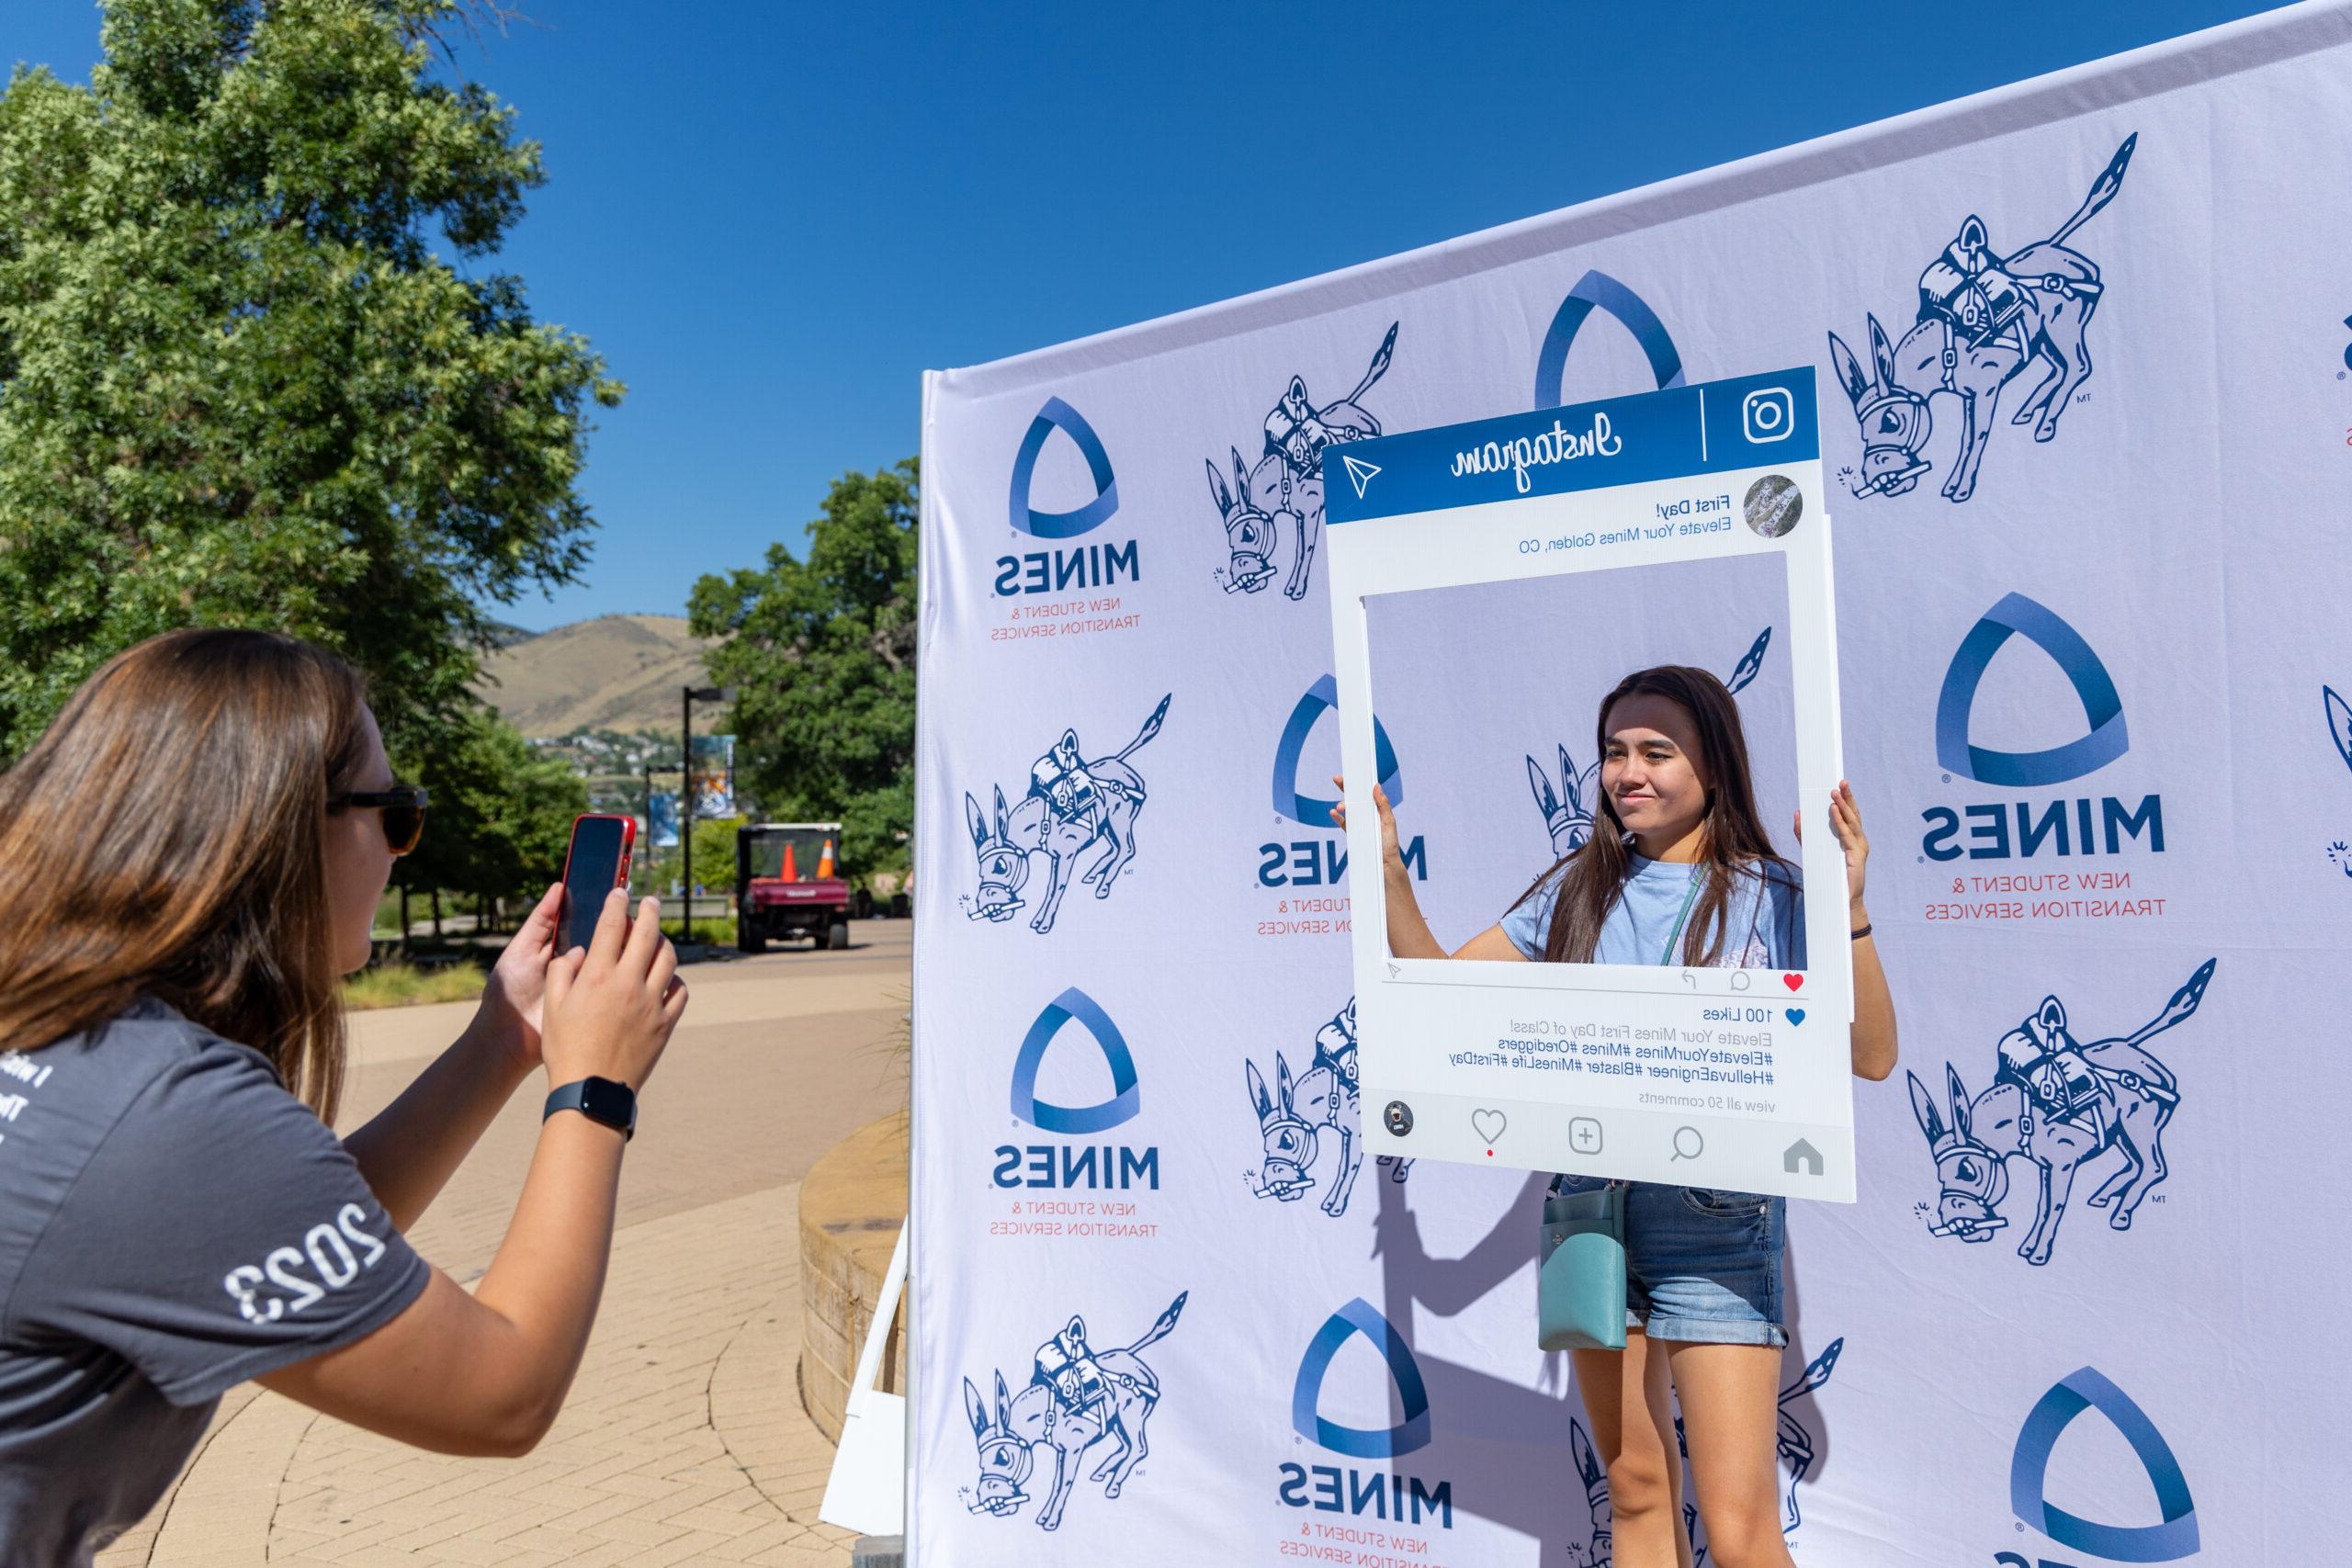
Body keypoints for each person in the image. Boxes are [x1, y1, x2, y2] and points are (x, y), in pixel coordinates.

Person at [0, 630, 690, 1565]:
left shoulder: (62, 1034)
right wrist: (595, 1085)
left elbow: (257, 1229)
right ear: (277, 831)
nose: (404, 848)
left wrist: (503, 1043)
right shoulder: (159, 1108)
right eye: (395, 814)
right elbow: (500, 1393)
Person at [1336, 665, 1897, 1568]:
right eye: (1613, 753)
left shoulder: (1779, 895)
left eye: (1655, 752)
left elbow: (1869, 1056)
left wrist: (1853, 911)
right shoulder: (1576, 889)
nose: (1628, 772)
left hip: (1715, 1223)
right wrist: (1388, 869)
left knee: (1739, 1522)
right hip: (1587, 1218)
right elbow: (1433, 992)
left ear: (1714, 768)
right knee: (1634, 1491)